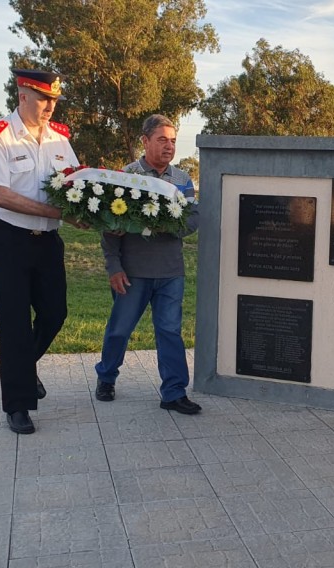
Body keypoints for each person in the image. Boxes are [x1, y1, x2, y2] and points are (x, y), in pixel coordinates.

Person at [0, 69, 84, 435]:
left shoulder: (60, 138)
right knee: (15, 323)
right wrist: (57, 212)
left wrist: (90, 213)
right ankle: (18, 405)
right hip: (10, 239)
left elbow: (76, 185)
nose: (50, 106)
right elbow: (2, 196)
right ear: (22, 96)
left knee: (55, 313)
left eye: (54, 100)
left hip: (47, 241)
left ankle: (23, 368)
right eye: (43, 99)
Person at [93, 114, 201, 415]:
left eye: (173, 141)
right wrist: (114, 266)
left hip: (170, 272)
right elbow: (110, 226)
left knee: (170, 331)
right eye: (162, 139)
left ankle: (174, 393)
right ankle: (106, 377)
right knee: (120, 329)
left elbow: (193, 218)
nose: (169, 146)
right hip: (133, 272)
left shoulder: (182, 180)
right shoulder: (126, 176)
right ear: (145, 141)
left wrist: (167, 226)